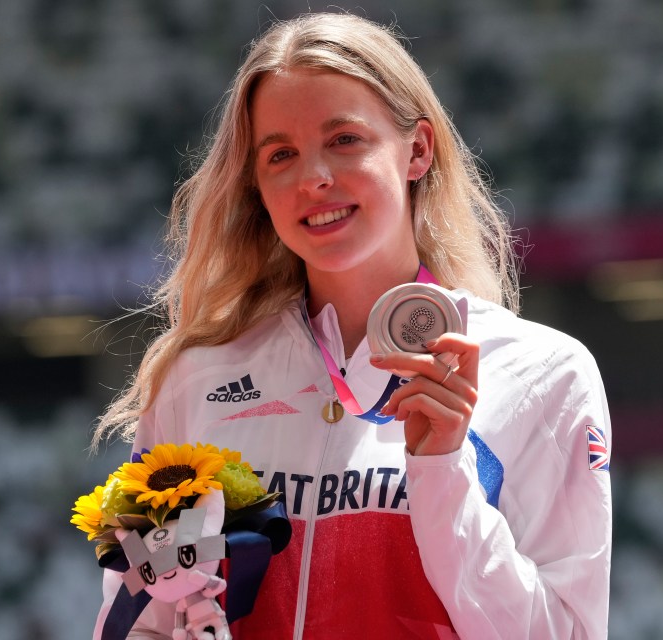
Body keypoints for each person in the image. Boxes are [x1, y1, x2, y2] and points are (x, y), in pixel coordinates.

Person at [92, 11, 611, 640]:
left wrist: (443, 473)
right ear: (257, 185)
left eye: (345, 140)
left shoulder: (541, 373)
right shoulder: (197, 377)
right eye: (280, 154)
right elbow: (137, 623)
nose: (313, 178)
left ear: (417, 149)